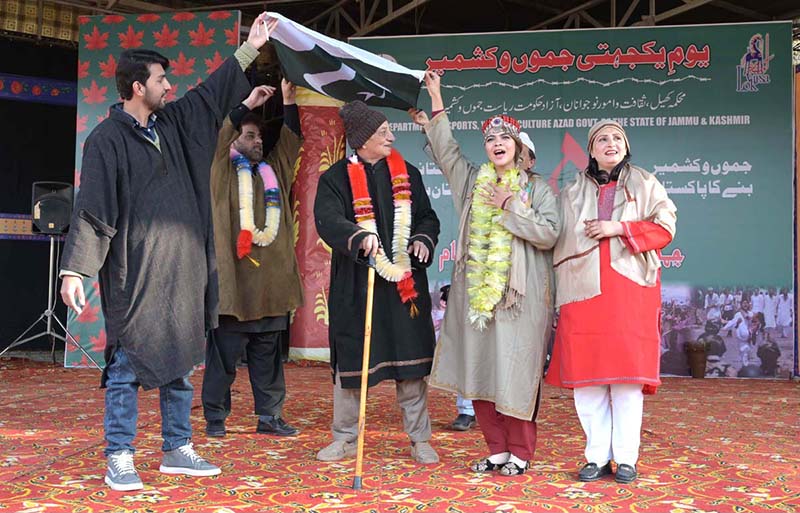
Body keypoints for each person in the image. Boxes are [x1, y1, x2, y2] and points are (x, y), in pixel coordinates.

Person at [58, 14, 276, 492]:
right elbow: (94, 211)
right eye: (161, 79)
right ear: (138, 87)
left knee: (180, 360)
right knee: (126, 365)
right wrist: (75, 270)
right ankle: (119, 454)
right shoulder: (106, 141)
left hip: (182, 268)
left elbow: (208, 96)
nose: (169, 86)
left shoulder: (172, 123)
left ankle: (177, 447)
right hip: (134, 272)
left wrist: (250, 50)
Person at [411, 71, 560, 476]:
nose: (496, 144)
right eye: (491, 140)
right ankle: (495, 450)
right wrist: (436, 97)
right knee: (478, 368)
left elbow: (549, 233)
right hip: (475, 295)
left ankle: (521, 453)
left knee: (514, 372)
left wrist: (510, 205)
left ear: (521, 150)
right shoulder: (472, 184)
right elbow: (447, 153)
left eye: (504, 139)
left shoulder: (537, 190)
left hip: (520, 298)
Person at [546, 119, 677, 484]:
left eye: (617, 138)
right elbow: (551, 232)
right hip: (580, 290)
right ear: (590, 149)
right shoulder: (571, 191)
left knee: (626, 381)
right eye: (602, 138)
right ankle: (596, 456)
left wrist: (619, 228)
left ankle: (627, 458)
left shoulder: (645, 182)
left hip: (630, 289)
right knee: (587, 382)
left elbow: (666, 227)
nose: (610, 143)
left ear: (626, 145)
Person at [313, 100, 441, 464]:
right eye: (383, 131)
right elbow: (327, 220)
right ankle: (345, 438)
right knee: (353, 362)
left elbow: (428, 219)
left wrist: (421, 239)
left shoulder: (408, 173)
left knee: (412, 365)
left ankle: (419, 439)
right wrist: (357, 236)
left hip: (405, 285)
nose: (391, 136)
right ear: (362, 138)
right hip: (358, 282)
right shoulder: (334, 178)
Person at [201, 80, 303, 439]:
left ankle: (270, 416)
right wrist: (247, 103)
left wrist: (289, 101)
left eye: (259, 137)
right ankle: (215, 417)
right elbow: (221, 131)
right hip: (234, 289)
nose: (257, 141)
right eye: (249, 135)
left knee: (268, 358)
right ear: (232, 140)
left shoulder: (273, 172)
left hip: (271, 288)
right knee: (223, 359)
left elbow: (290, 142)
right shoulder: (220, 170)